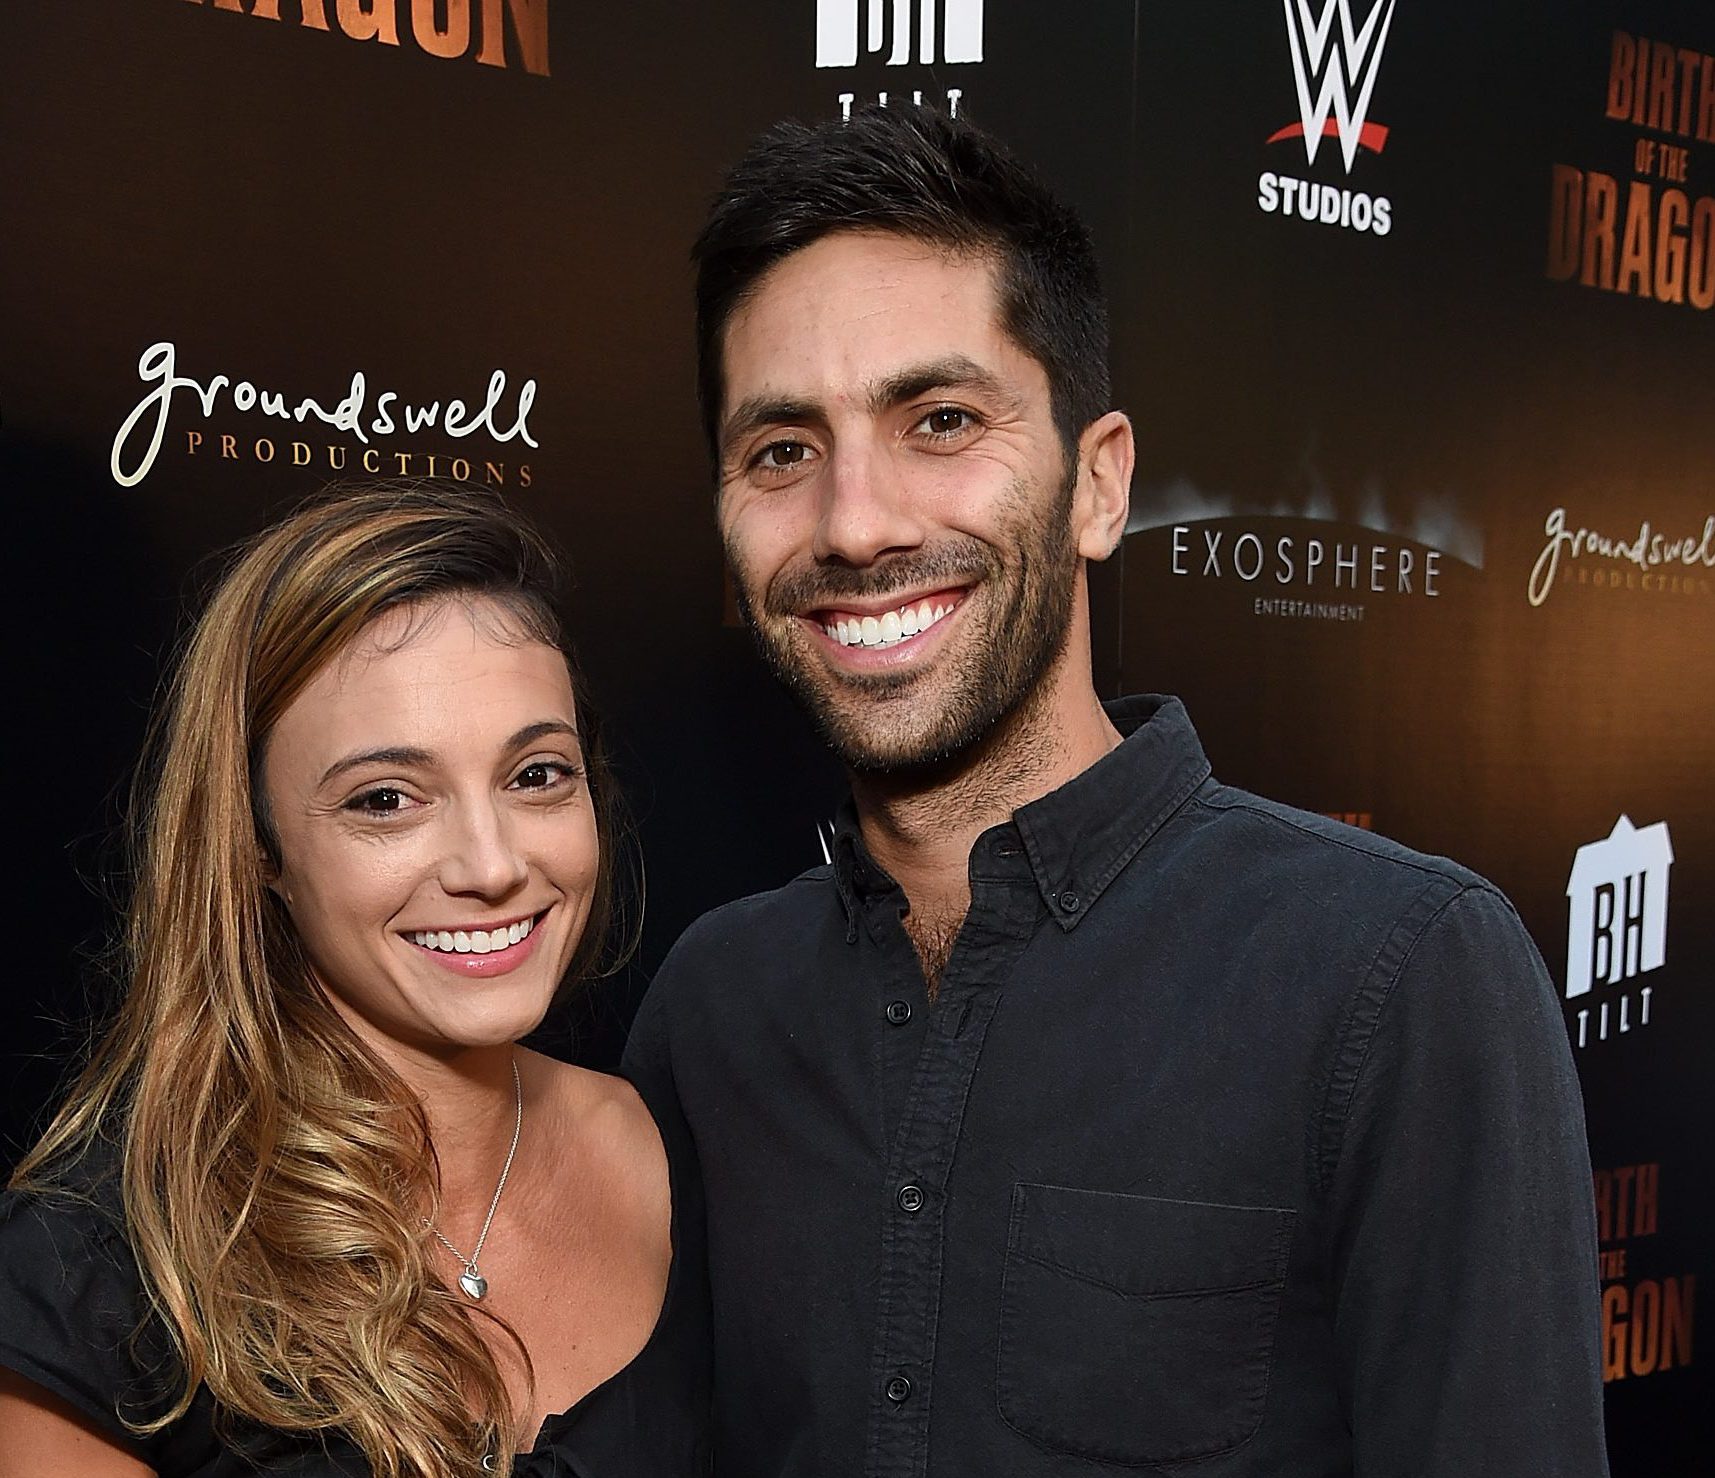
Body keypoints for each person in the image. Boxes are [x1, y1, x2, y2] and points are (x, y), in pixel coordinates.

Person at [623, 106, 1609, 1475]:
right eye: (781, 449)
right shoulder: (710, 1009)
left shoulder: (1394, 974)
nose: (853, 522)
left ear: (1097, 486)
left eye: (939, 420)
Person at [0, 484, 708, 1477]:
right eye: (385, 799)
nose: (491, 864)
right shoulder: (99, 1265)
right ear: (259, 847)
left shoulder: (685, 1150)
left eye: (535, 775)